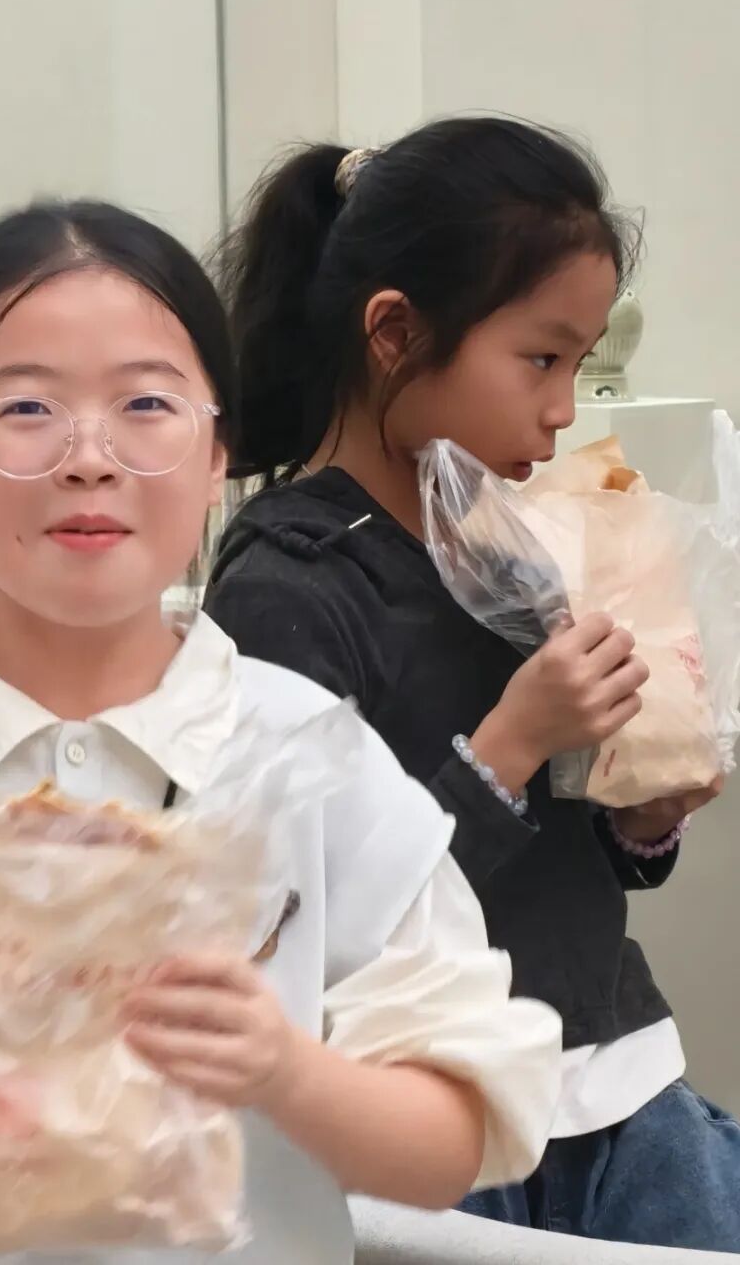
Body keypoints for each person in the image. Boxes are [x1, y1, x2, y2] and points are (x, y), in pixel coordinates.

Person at [0, 201, 559, 1265]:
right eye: (26, 407)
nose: (89, 457)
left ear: (216, 455)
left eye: (146, 404)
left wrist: (284, 1069)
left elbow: (450, 1145)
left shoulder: (306, 759)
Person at [203, 117, 740, 1252]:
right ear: (395, 333)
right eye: (541, 360)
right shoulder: (286, 583)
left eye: (578, 365)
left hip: (620, 1085)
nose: (564, 408)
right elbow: (309, 919)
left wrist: (641, 813)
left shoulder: (516, 544)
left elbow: (565, 850)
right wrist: (513, 740)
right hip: (428, 1120)